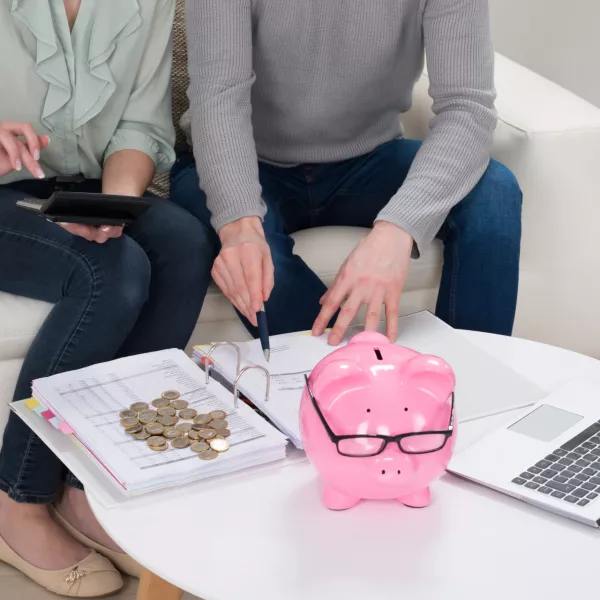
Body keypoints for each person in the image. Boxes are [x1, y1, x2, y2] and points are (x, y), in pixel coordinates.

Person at [0, 1, 209, 596]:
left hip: (80, 186)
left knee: (184, 245)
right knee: (109, 273)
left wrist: (111, 208)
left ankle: (86, 486)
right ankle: (15, 499)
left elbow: (141, 126)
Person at [172, 0, 522, 347]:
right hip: (244, 161)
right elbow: (218, 96)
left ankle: (467, 386)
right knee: (260, 267)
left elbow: (468, 107)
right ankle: (352, 382)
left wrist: (398, 228)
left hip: (369, 159)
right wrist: (240, 227)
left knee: (493, 192)